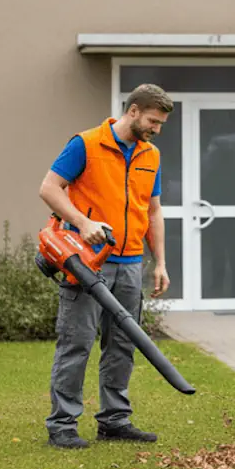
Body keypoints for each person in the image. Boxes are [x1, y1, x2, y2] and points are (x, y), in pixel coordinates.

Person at [38, 83, 173, 449]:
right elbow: (49, 188)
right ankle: (62, 425)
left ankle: (114, 420)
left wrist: (159, 262)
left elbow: (153, 210)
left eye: (160, 123)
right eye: (152, 120)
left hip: (130, 264)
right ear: (133, 111)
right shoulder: (86, 144)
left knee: (122, 345)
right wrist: (82, 222)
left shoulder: (151, 155)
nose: (156, 129)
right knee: (76, 343)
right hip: (86, 263)